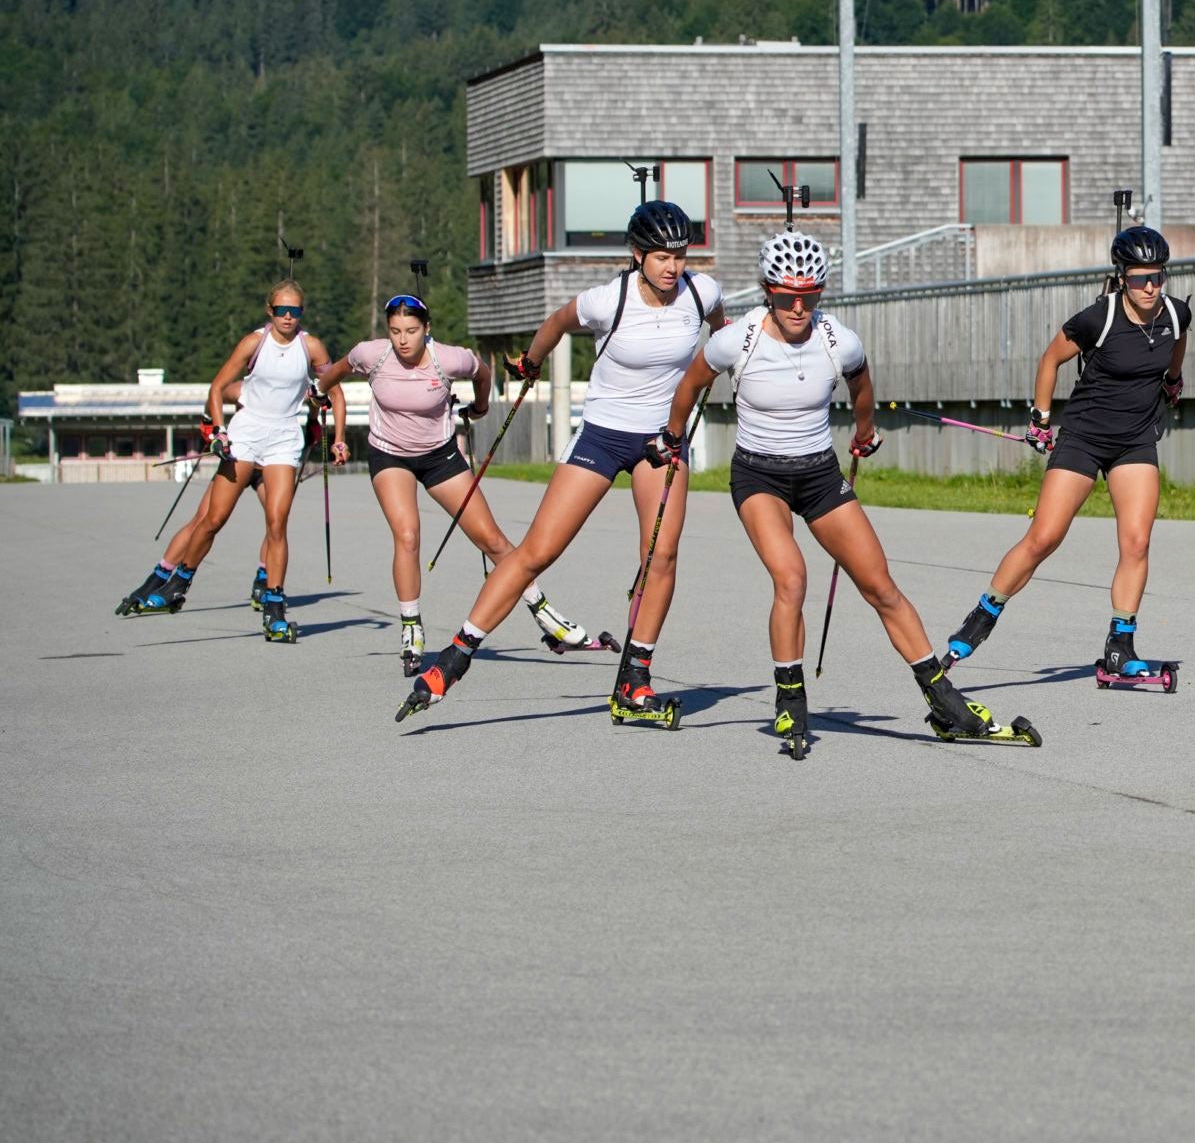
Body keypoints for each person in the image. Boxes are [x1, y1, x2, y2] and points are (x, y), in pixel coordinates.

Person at [665, 228, 1023, 753]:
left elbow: (861, 384)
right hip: (758, 475)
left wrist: (863, 432)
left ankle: (944, 702)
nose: (798, 307)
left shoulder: (838, 339)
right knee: (791, 578)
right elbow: (691, 384)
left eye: (809, 296)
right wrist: (673, 438)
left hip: (817, 473)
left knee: (879, 585)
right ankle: (790, 701)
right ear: (769, 290)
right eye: (787, 296)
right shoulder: (735, 339)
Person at [396, 199, 723, 727]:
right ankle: (453, 660)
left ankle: (633, 685)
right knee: (537, 551)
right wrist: (530, 361)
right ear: (638, 255)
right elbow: (555, 323)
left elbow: (720, 337)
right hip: (603, 434)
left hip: (662, 442)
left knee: (661, 557)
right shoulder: (605, 300)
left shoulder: (701, 292)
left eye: (680, 255)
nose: (673, 266)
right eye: (662, 255)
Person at [943, 226, 1191, 686]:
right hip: (1084, 436)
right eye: (1140, 278)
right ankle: (983, 614)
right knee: (1044, 537)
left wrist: (1173, 381)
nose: (1151, 287)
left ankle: (1121, 645)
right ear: (1122, 278)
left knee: (1136, 542)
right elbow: (1049, 360)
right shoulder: (1098, 318)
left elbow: (1177, 347)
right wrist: (1040, 418)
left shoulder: (1175, 315)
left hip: (1135, 441)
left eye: (1158, 276)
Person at [314, 293, 605, 677]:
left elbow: (482, 372)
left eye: (412, 331)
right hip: (390, 455)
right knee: (407, 535)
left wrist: (481, 407)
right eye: (396, 331)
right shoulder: (372, 354)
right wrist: (319, 392)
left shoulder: (448, 358)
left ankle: (548, 618)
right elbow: (334, 372)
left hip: (440, 456)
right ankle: (411, 629)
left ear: (427, 329)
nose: (403, 340)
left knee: (492, 540)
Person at [115, 280, 346, 642]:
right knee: (212, 519)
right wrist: (218, 431)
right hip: (246, 436)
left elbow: (334, 391)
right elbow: (217, 387)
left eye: (295, 311)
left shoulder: (311, 346)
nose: (288, 317)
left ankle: (274, 606)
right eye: (282, 310)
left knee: (277, 523)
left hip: (284, 440)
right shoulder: (254, 342)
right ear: (270, 311)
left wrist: (339, 438)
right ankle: (177, 582)